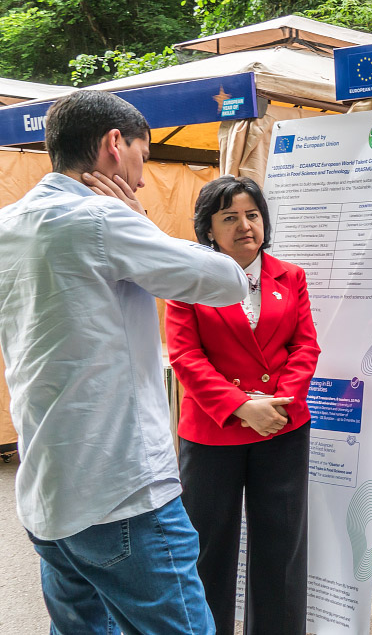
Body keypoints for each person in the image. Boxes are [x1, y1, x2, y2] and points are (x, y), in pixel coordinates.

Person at [0, 90, 248, 633]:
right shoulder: (101, 217)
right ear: (115, 144)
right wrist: (141, 221)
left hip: (46, 491)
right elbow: (228, 281)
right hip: (121, 493)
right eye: (143, 155)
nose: (141, 179)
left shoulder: (7, 223)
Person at [165, 175, 321, 635]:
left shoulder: (291, 276)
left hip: (281, 426)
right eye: (229, 217)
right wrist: (240, 406)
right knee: (208, 549)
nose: (244, 226)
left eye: (252, 215)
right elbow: (185, 356)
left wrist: (278, 406)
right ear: (208, 229)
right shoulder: (189, 279)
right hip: (213, 430)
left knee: (282, 548)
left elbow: (305, 347)